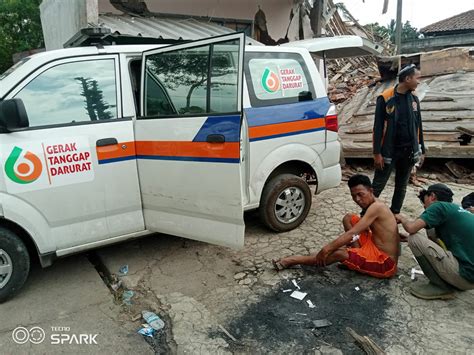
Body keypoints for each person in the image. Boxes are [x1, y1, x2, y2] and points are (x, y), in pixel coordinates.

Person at [272, 174, 400, 278]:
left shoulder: (376, 207)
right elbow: (383, 229)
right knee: (349, 218)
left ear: (371, 191)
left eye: (361, 194)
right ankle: (355, 255)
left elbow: (352, 233)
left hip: (385, 263)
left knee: (338, 253)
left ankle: (292, 260)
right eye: (354, 196)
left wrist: (326, 249)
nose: (357, 199)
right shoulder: (375, 202)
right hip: (373, 246)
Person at [396, 183, 474, 300]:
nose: (425, 208)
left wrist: (402, 218)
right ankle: (451, 280)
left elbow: (411, 228)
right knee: (430, 229)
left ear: (432, 196)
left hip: (464, 276)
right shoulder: (458, 210)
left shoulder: (438, 206)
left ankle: (440, 286)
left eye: (424, 202)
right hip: (469, 280)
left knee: (414, 238)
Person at [372, 64, 426, 214]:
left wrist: (422, 149)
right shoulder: (385, 98)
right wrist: (377, 153)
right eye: (417, 78)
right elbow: (377, 127)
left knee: (401, 186)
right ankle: (365, 217)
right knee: (377, 186)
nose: (419, 81)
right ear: (407, 79)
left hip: (408, 151)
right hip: (389, 151)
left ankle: (394, 215)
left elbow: (419, 124)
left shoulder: (414, 99)